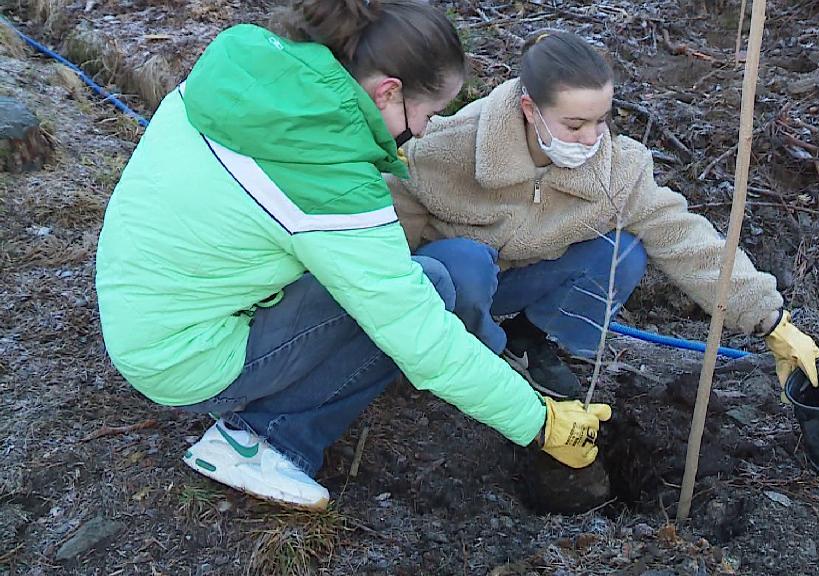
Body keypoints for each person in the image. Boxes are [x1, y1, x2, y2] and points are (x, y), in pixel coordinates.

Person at [94, 2, 611, 511]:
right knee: (425, 288)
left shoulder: (249, 76)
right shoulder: (329, 183)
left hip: (146, 311)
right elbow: (422, 340)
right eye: (428, 113)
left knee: (415, 279)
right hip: (187, 358)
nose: (427, 130)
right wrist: (539, 421)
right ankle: (260, 440)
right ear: (387, 91)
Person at [387, 29, 819, 400]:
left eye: (601, 121)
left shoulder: (615, 169)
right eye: (574, 125)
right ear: (529, 110)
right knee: (464, 263)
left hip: (518, 281)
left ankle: (527, 343)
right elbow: (386, 240)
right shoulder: (445, 148)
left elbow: (683, 236)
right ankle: (475, 357)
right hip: (447, 290)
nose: (591, 138)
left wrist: (769, 320)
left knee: (624, 252)